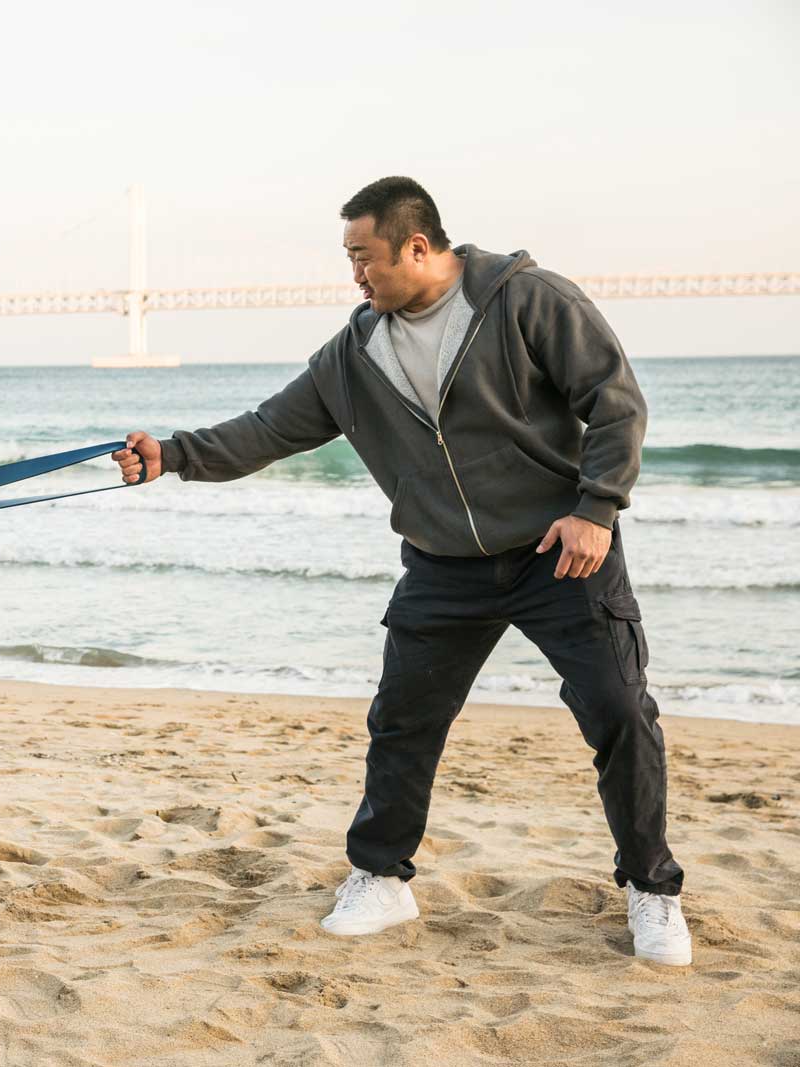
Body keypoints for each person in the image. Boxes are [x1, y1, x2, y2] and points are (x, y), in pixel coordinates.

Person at [114, 176, 691, 966]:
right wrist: (173, 455)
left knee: (620, 710)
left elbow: (616, 400)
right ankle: (382, 877)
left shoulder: (527, 301)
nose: (356, 275)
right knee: (402, 724)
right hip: (443, 565)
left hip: (560, 549)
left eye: (365, 257)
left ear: (418, 246)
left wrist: (596, 508)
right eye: (350, 259)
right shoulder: (355, 355)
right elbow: (267, 429)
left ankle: (652, 891)